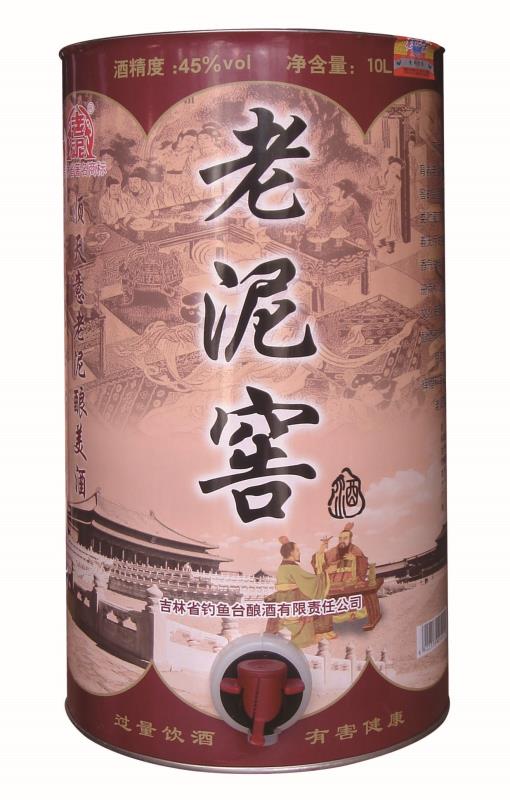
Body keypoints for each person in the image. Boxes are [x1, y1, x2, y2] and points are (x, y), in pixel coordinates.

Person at [265, 536, 330, 648]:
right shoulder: (292, 568)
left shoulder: (283, 566)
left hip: (283, 598)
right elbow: (311, 581)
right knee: (316, 607)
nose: (299, 553)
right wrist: (323, 574)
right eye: (297, 550)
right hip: (292, 598)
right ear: (291, 552)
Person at [368, 156, 403, 254]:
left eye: (397, 169)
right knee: (378, 221)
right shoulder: (384, 175)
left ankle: (389, 245)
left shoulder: (398, 181)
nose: (394, 170)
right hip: (380, 202)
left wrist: (382, 193)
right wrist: (376, 189)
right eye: (393, 167)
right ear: (389, 166)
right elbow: (380, 186)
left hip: (389, 205)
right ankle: (381, 240)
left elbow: (393, 194)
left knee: (388, 225)